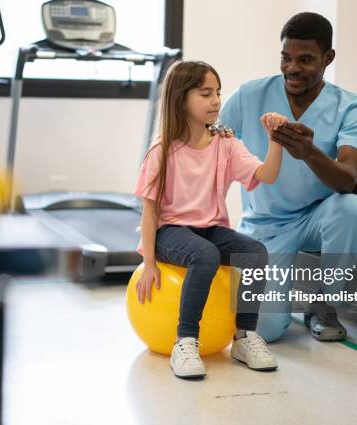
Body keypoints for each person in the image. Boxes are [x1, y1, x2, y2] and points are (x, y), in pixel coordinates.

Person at [219, 12, 357, 343]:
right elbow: (208, 144)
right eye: (286, 58)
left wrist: (309, 153)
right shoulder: (250, 95)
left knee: (352, 208)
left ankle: (322, 304)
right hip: (264, 227)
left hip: (315, 219)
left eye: (305, 60)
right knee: (264, 332)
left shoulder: (349, 106)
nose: (292, 68)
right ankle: (279, 300)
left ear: (327, 58)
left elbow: (346, 179)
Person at [134, 60, 286, 379]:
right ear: (181, 98)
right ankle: (185, 341)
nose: (216, 100)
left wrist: (276, 140)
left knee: (255, 252)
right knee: (205, 255)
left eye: (218, 92)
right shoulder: (161, 151)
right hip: (170, 231)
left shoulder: (226, 143)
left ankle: (245, 336)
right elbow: (149, 212)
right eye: (205, 93)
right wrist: (149, 263)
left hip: (210, 229)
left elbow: (267, 174)